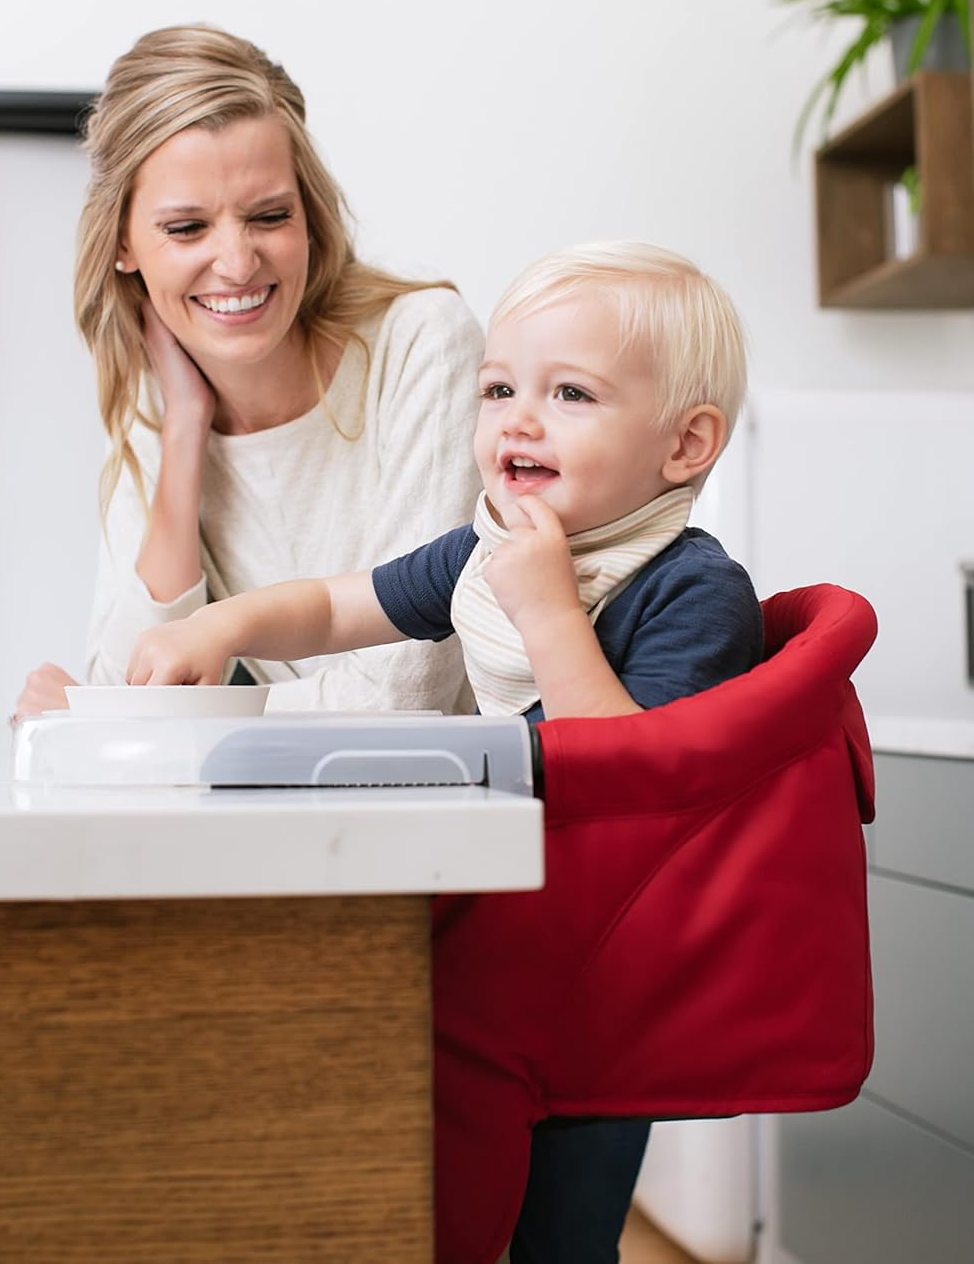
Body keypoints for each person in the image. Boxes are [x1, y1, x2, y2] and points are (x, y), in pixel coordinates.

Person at [126, 238, 764, 1263]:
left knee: (561, 1236)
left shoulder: (693, 592)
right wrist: (225, 626)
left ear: (684, 447)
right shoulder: (486, 548)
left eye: (570, 394)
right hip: (502, 940)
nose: (517, 418)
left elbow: (629, 781)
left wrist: (550, 613)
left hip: (602, 985)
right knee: (443, 1205)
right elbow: (343, 604)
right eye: (499, 387)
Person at [14, 23, 484, 721]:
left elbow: (409, 694)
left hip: (457, 805)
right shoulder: (161, 394)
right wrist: (184, 433)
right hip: (283, 809)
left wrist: (151, 719)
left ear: (310, 217)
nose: (237, 263)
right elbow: (124, 678)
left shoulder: (422, 342)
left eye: (268, 216)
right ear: (121, 244)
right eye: (186, 229)